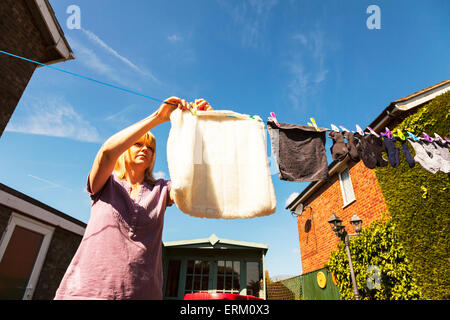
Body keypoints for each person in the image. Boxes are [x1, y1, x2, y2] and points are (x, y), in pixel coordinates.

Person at [54, 97, 213, 300]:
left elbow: (195, 178)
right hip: (86, 292)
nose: (145, 149)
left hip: (143, 294)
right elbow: (107, 153)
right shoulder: (105, 184)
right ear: (126, 148)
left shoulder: (162, 189)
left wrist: (204, 125)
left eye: (151, 148)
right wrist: (158, 117)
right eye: (138, 144)